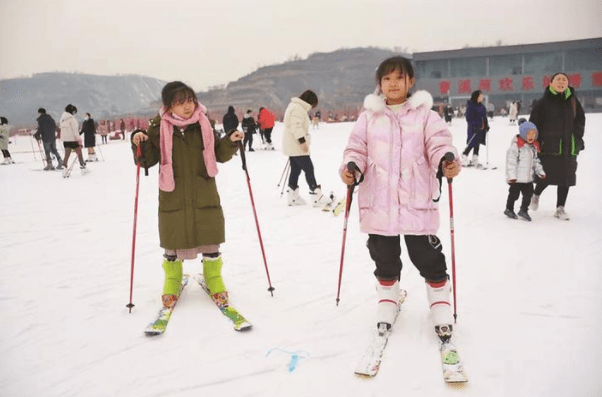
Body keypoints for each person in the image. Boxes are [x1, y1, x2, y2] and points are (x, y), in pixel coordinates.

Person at [339, 56, 461, 342]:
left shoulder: (425, 116)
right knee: (384, 256)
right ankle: (387, 299)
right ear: (379, 84)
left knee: (427, 255)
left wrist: (446, 159)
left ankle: (441, 303)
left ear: (410, 81)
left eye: (398, 78)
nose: (392, 84)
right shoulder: (368, 117)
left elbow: (439, 142)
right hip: (379, 202)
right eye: (387, 79)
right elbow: (356, 147)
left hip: (416, 199)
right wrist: (351, 167)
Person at [130, 81, 243, 308]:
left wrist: (230, 141)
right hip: (174, 194)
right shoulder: (158, 127)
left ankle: (213, 276)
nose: (188, 106)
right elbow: (148, 161)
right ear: (169, 106)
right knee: (173, 240)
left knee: (210, 238)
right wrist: (139, 142)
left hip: (204, 191)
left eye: (190, 100)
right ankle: (172, 279)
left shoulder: (204, 125)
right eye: (181, 103)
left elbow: (218, 154)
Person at [529, 72, 586, 221]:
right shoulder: (542, 102)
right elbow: (534, 123)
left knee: (565, 178)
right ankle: (536, 194)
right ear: (551, 83)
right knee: (546, 176)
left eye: (564, 80)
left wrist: (577, 137)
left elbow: (580, 119)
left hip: (569, 146)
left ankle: (560, 208)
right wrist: (535, 141)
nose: (561, 82)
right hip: (549, 147)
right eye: (558, 79)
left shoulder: (573, 101)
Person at [282, 89, 331, 207]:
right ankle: (316, 196)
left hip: (293, 146)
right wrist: (302, 142)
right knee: (309, 168)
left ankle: (292, 196)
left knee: (295, 170)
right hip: (297, 145)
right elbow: (296, 127)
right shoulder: (298, 109)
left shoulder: (295, 106)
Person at [504, 120, 546, 221]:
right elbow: (511, 162)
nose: (531, 136)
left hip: (528, 179)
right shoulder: (516, 147)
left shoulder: (533, 147)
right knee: (514, 195)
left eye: (533, 134)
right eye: (529, 134)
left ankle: (523, 210)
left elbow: (535, 161)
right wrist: (512, 176)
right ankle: (509, 209)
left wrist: (540, 171)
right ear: (523, 134)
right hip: (517, 179)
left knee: (528, 195)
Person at [461, 90, 489, 168]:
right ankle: (464, 155)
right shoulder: (471, 105)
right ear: (476, 97)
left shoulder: (481, 106)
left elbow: (484, 117)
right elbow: (469, 118)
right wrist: (474, 126)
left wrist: (486, 125)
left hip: (481, 128)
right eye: (480, 96)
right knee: (472, 142)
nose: (482, 97)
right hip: (473, 128)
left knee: (478, 143)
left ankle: (475, 158)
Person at [60, 104, 86, 175]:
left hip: (65, 140)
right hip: (73, 140)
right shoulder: (72, 119)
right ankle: (83, 167)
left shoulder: (62, 119)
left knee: (67, 155)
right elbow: (75, 131)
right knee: (79, 153)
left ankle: (64, 168)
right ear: (72, 111)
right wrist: (79, 140)